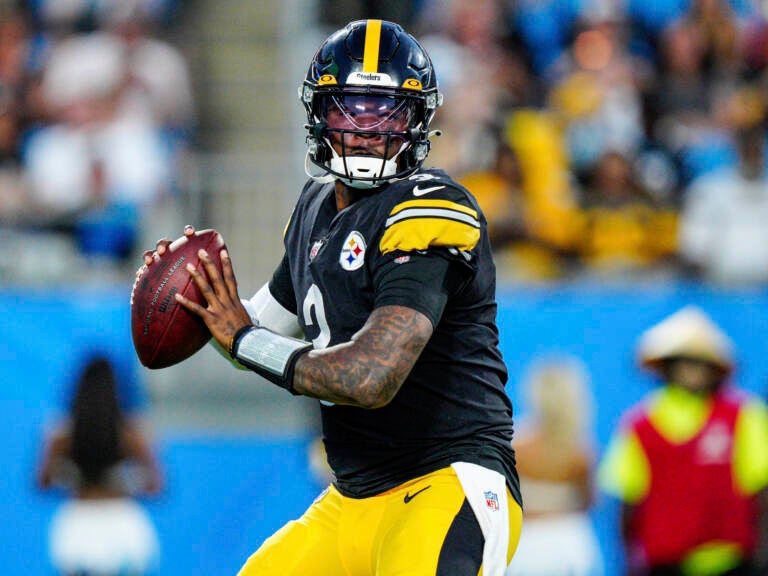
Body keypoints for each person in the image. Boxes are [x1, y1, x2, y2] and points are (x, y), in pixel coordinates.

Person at [142, 19, 523, 576]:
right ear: (320, 115)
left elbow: (371, 376)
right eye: (350, 109)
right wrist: (195, 298)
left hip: (444, 484)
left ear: (418, 121)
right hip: (351, 499)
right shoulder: (315, 207)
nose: (367, 129)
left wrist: (243, 338)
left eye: (387, 111)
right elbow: (254, 327)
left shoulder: (432, 206)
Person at [598, 306, 768, 576]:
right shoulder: (640, 424)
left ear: (715, 369)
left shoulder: (743, 415)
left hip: (733, 562)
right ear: (665, 367)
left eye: (699, 362)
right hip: (664, 563)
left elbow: (760, 493)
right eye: (683, 362)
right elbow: (629, 501)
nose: (691, 371)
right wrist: (630, 561)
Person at [35, 356, 162, 576]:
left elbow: (42, 483)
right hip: (122, 521)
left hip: (78, 522)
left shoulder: (62, 435)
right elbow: (155, 486)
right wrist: (120, 483)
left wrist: (73, 479)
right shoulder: (131, 434)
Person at [507, 355, 603, 576]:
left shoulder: (516, 446)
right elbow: (589, 501)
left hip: (526, 547)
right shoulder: (580, 453)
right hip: (569, 547)